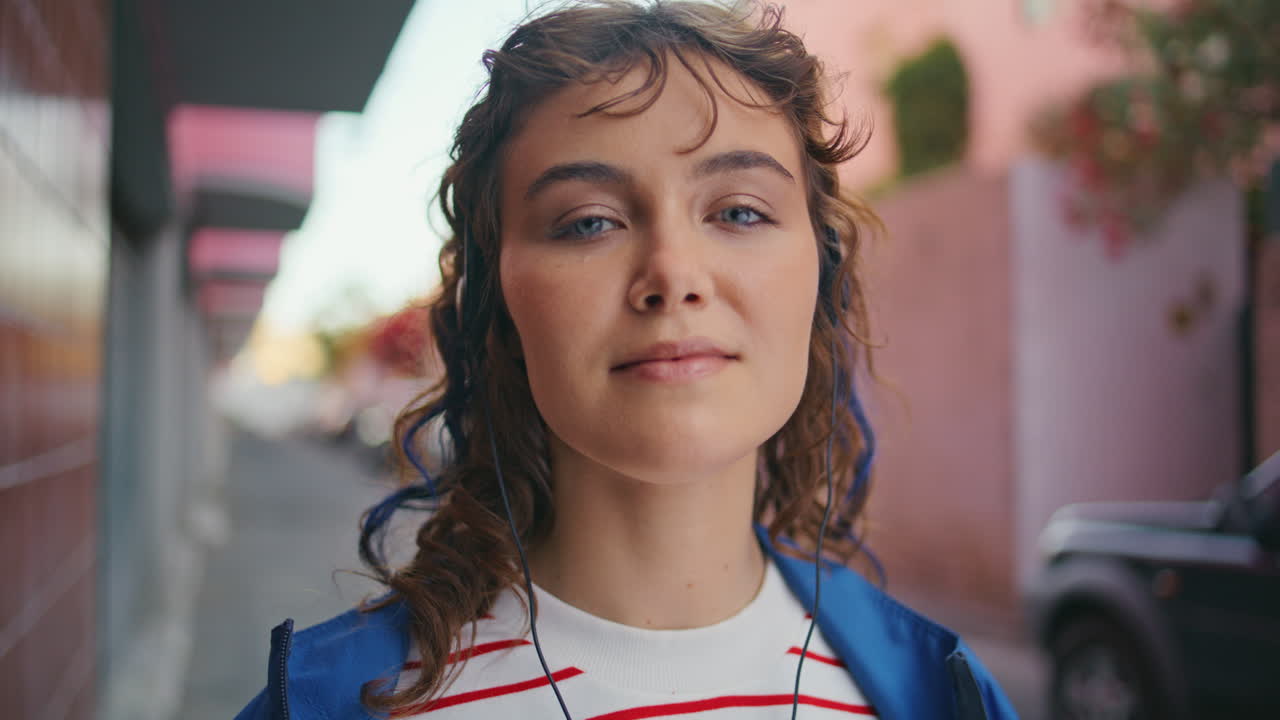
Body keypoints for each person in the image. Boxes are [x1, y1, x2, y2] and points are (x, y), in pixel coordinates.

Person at [235, 1, 1018, 718]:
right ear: (494, 307)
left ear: (821, 279)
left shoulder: (939, 694)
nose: (673, 274)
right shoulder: (341, 703)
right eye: (588, 223)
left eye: (740, 211)